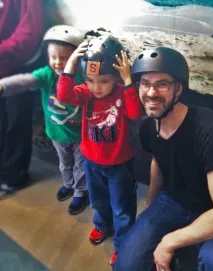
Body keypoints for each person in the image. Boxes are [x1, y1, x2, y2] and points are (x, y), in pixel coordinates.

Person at [114, 47, 213, 271]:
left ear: (178, 89)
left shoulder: (210, 129)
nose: (151, 92)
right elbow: (159, 162)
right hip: (172, 202)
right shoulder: (148, 126)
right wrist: (151, 205)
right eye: (145, 83)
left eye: (162, 84)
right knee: (126, 266)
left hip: (212, 210)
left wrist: (169, 241)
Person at [57, 35, 143, 265]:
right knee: (99, 202)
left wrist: (127, 81)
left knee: (122, 208)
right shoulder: (85, 93)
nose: (96, 87)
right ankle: (102, 225)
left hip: (119, 165)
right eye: (90, 80)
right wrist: (71, 64)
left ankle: (123, 243)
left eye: (103, 81)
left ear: (115, 77)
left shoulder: (122, 94)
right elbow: (64, 95)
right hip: (92, 162)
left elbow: (136, 113)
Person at [0, 25, 89, 215]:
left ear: (76, 57)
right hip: (58, 134)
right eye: (53, 57)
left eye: (64, 57)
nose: (57, 62)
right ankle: (68, 184)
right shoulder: (46, 75)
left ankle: (81, 192)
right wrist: (3, 86)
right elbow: (25, 80)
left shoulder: (83, 77)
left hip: (82, 136)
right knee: (65, 163)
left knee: (81, 166)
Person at [0, 0, 44, 193]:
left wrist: (2, 49)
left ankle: (14, 175)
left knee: (16, 119)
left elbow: (29, 33)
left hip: (19, 63)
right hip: (4, 61)